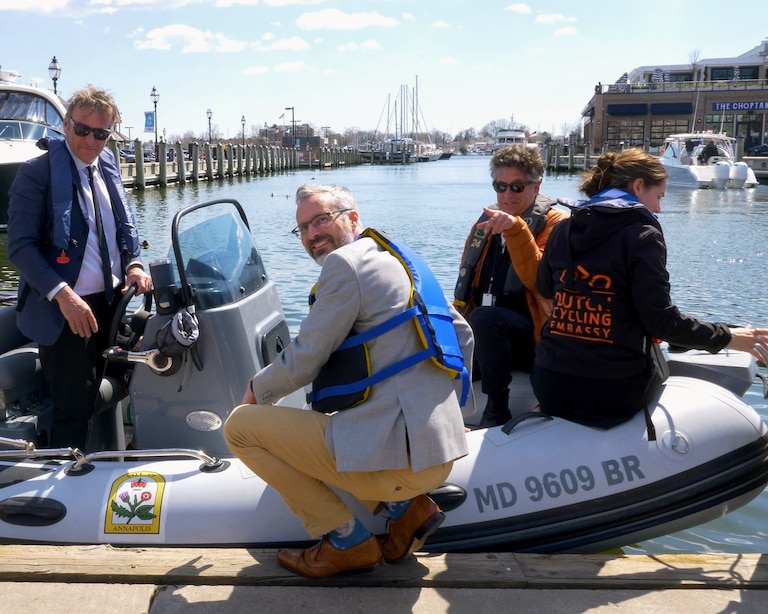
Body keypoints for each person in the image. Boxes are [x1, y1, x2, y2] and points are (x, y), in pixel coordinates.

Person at [223, 184, 473, 579]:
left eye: (321, 219)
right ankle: (406, 510)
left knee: (239, 428)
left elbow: (305, 358)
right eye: (303, 228)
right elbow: (462, 336)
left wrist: (257, 390)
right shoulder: (400, 257)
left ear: (352, 218)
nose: (311, 235)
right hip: (440, 453)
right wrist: (455, 411)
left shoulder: (345, 265)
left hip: (402, 465)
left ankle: (345, 540)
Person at [533, 148, 768, 428]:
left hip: (549, 383)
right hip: (609, 394)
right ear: (638, 186)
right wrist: (726, 337)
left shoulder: (564, 229)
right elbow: (661, 324)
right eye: (658, 197)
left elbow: (544, 287)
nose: (658, 208)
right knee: (660, 348)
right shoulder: (642, 234)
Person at [7, 85, 152, 451]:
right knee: (73, 410)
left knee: (111, 389)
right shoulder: (35, 174)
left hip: (110, 303)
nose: (90, 140)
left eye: (100, 133)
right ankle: (66, 487)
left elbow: (124, 225)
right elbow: (20, 247)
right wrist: (63, 295)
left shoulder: (107, 166)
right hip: (64, 312)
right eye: (82, 129)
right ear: (66, 124)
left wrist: (134, 262)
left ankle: (106, 463)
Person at [453, 144, 568, 428]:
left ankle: (497, 408)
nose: (506, 195)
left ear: (536, 185)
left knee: (487, 318)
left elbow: (541, 282)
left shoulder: (558, 225)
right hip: (489, 335)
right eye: (500, 186)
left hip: (535, 337)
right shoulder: (485, 221)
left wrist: (516, 230)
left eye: (517, 187)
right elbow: (468, 282)